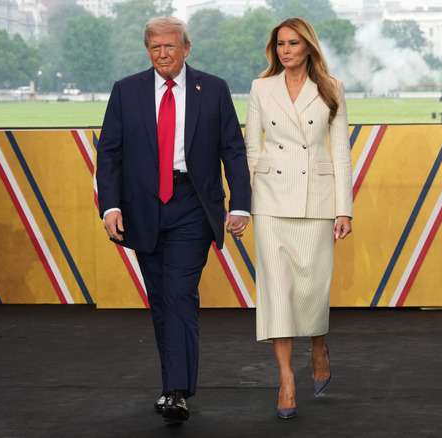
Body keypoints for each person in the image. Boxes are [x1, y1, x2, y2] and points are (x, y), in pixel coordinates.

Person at [95, 17, 251, 425]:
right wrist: (109, 206)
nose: (162, 54)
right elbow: (109, 154)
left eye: (170, 46)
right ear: (147, 50)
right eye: (154, 47)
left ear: (186, 48)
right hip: (142, 210)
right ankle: (173, 387)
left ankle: (177, 392)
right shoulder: (125, 90)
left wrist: (240, 205)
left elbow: (233, 149)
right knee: (162, 300)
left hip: (193, 206)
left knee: (180, 294)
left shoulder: (212, 88)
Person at [244, 17, 353, 420]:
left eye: (293, 43)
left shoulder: (331, 88)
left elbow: (340, 151)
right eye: (280, 44)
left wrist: (345, 208)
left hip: (318, 200)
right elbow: (251, 148)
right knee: (277, 292)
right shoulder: (260, 88)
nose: (286, 50)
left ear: (308, 47)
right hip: (271, 200)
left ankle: (319, 347)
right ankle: (286, 379)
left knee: (312, 291)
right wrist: (244, 203)